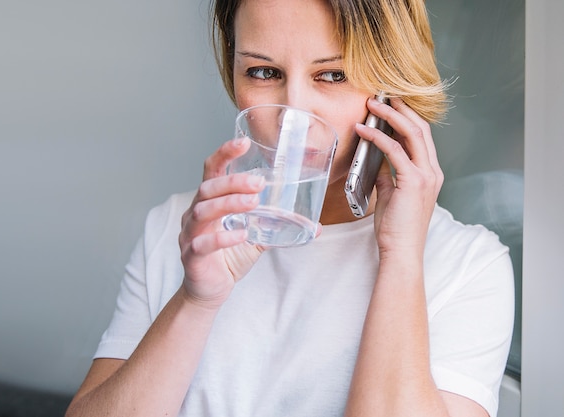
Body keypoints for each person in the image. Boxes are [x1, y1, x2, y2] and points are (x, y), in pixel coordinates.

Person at [65, 0, 514, 416]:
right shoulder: (180, 229)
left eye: (333, 75)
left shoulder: (468, 266)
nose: (292, 114)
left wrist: (399, 256)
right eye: (263, 72)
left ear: (392, 90)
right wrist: (196, 302)